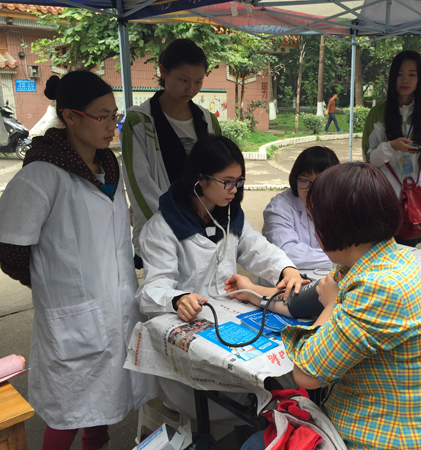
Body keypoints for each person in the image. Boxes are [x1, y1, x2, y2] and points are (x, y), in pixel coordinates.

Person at [239, 162, 421, 450]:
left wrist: (331, 305)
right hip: (367, 417)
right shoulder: (378, 258)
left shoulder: (378, 288)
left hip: (385, 440)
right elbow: (300, 301)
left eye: (316, 220)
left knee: (254, 445)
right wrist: (253, 292)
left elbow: (306, 376)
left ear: (333, 227)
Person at [0, 71, 155, 450]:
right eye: (102, 117)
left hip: (116, 307)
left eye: (115, 116)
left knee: (106, 398)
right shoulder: (42, 175)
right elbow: (9, 248)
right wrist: (52, 280)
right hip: (72, 315)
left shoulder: (108, 168)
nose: (112, 126)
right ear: (70, 116)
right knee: (70, 408)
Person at [135, 134, 305, 420]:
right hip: (191, 325)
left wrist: (286, 269)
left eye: (239, 182)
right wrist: (177, 299)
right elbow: (152, 289)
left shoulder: (230, 216)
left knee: (280, 366)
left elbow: (258, 249)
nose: (234, 190)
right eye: (227, 182)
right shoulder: (162, 228)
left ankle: (264, 424)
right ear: (200, 179)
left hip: (230, 315)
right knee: (240, 392)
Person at [121, 38, 221, 266]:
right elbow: (139, 185)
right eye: (184, 80)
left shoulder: (208, 121)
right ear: (164, 72)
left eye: (198, 81)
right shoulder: (140, 122)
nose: (191, 89)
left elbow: (218, 174)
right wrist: (173, 227)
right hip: (161, 232)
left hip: (203, 228)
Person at [362, 50, 421, 247]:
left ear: (419, 79)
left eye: (412, 74)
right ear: (392, 78)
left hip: (413, 200)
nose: (405, 80)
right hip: (383, 200)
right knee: (380, 253)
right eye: (399, 74)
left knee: (408, 252)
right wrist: (392, 146)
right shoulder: (377, 114)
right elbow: (369, 160)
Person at [262, 146, 340, 269]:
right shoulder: (279, 208)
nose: (311, 189)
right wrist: (344, 258)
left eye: (320, 182)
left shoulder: (342, 204)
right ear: (295, 179)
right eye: (304, 180)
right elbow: (288, 253)